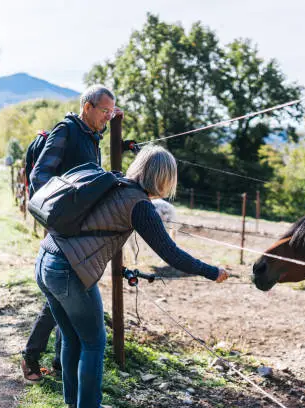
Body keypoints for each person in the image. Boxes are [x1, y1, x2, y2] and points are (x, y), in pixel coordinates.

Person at [35, 145, 228, 408]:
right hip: (69, 270)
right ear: (164, 178)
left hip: (46, 259)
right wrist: (212, 271)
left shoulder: (113, 184)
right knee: (94, 343)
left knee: (72, 337)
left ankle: (74, 403)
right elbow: (170, 254)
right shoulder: (140, 205)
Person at [21, 84, 124, 382]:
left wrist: (116, 128)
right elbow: (40, 175)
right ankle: (30, 356)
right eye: (104, 111)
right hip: (65, 226)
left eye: (111, 112)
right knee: (62, 291)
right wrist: (59, 212)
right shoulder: (65, 130)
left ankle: (58, 362)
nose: (108, 116)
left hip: (81, 226)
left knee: (66, 294)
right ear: (87, 107)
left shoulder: (91, 135)